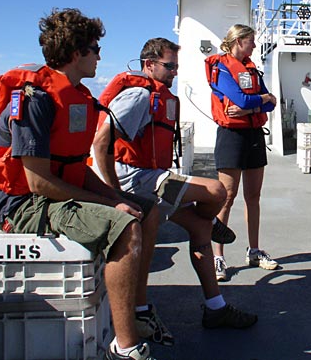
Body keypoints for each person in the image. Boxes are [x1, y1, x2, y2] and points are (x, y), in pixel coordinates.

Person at [0, 8, 159, 360]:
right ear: (77, 52)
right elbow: (37, 182)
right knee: (125, 226)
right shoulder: (37, 100)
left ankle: (137, 311)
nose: (100, 55)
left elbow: (74, 167)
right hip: (21, 205)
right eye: (95, 48)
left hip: (53, 190)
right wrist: (114, 207)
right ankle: (126, 348)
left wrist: (115, 195)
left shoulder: (77, 95)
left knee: (146, 208)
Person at [93, 37, 258, 336]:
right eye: (169, 66)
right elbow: (101, 143)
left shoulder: (160, 96)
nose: (174, 73)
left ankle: (216, 307)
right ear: (149, 65)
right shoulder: (138, 96)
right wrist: (114, 193)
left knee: (200, 229)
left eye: (176, 67)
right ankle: (141, 310)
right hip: (138, 179)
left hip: (152, 175)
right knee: (217, 192)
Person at [206, 24, 277, 281]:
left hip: (254, 136)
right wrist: (261, 101)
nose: (255, 46)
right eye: (251, 42)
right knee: (226, 196)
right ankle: (218, 257)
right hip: (231, 137)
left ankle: (254, 251)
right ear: (238, 41)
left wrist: (251, 110)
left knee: (253, 196)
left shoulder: (252, 69)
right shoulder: (221, 68)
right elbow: (243, 99)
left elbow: (270, 104)